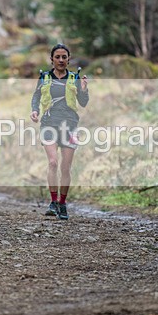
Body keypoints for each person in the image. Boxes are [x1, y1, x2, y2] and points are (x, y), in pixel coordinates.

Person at [30, 42, 89, 220]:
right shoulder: (44, 77)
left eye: (64, 57)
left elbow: (83, 102)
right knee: (53, 163)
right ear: (52, 59)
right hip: (49, 123)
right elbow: (36, 96)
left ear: (68, 59)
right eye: (58, 57)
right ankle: (53, 202)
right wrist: (35, 110)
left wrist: (84, 90)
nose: (61, 60)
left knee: (65, 167)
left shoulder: (75, 78)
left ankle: (63, 204)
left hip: (70, 124)